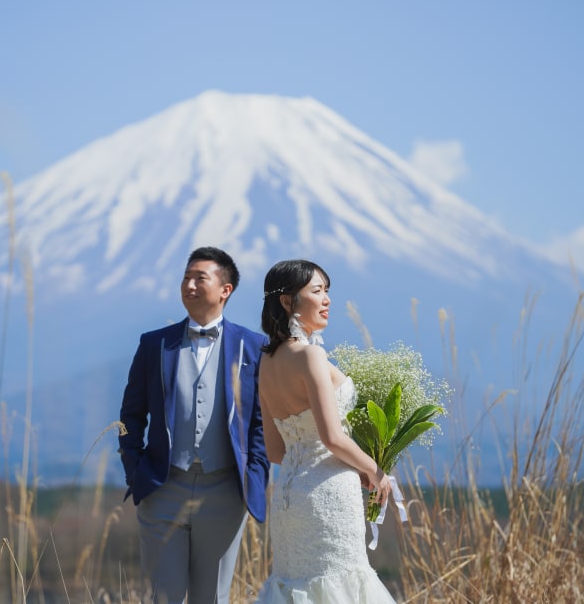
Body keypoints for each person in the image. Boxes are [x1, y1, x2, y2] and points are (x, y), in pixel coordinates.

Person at [118, 246, 269, 604]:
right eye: (186, 277)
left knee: (212, 598)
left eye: (199, 278)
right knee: (163, 597)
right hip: (162, 487)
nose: (189, 284)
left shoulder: (254, 346)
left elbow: (261, 424)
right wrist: (135, 470)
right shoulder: (154, 344)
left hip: (225, 491)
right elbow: (131, 415)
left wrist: (254, 474)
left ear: (225, 290)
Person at [253, 259, 397, 603]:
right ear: (288, 302)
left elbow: (275, 450)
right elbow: (332, 437)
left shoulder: (267, 362)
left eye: (327, 291)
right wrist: (374, 470)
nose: (327, 299)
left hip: (290, 498)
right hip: (328, 496)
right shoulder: (310, 357)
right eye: (318, 291)